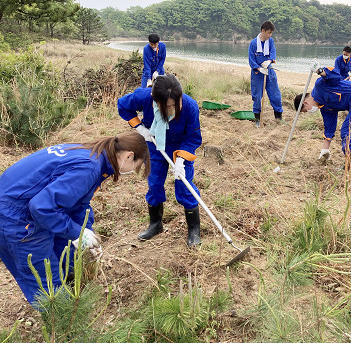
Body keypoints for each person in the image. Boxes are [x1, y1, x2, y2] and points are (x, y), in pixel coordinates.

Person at [0, 132, 150, 305]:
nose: (132, 171)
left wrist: (87, 234)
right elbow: (42, 207)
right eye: (136, 166)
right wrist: (76, 233)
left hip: (24, 206)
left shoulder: (93, 154)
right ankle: (64, 326)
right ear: (129, 155)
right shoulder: (88, 167)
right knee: (48, 286)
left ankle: (70, 301)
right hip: (16, 218)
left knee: (66, 255)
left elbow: (77, 204)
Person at [118, 74, 203, 245]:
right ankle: (155, 224)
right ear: (155, 101)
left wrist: (181, 161)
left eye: (174, 104)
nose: (171, 108)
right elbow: (123, 106)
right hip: (155, 145)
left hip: (180, 148)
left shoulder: (190, 106)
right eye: (167, 106)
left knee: (184, 185)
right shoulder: (143, 97)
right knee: (155, 183)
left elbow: (193, 138)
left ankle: (194, 229)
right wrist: (140, 128)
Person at [294, 64, 351, 171]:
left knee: (347, 130)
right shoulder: (324, 107)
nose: (309, 112)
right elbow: (329, 127)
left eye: (305, 110)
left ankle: (349, 167)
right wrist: (325, 149)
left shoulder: (320, 85)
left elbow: (335, 74)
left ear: (305, 103)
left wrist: (320, 71)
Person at [248, 20, 283, 127]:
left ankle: (278, 118)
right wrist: (258, 68)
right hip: (257, 74)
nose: (270, 35)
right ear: (263, 31)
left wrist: (269, 61)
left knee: (275, 95)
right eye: (268, 33)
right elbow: (251, 60)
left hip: (269, 71)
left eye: (271, 33)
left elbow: (273, 52)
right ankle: (258, 120)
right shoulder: (253, 44)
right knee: (257, 97)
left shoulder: (270, 41)